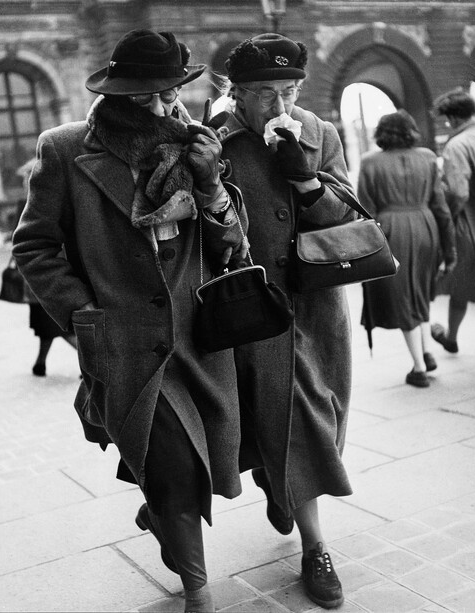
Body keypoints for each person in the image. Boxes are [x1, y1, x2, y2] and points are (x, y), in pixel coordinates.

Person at [12, 29, 249, 613]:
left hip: (199, 333)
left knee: (196, 461)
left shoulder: (199, 145)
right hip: (124, 337)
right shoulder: (66, 149)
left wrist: (211, 183)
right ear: (117, 94)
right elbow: (34, 246)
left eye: (170, 94)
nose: (164, 108)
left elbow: (232, 245)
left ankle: (161, 514)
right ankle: (197, 588)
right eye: (147, 97)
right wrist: (83, 316)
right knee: (173, 461)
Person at [207, 32, 359, 609]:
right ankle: (316, 548)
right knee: (294, 414)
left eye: (289, 91)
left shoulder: (319, 133)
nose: (280, 105)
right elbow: (204, 231)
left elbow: (345, 215)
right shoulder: (214, 140)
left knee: (327, 411)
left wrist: (306, 179)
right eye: (266, 93)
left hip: (318, 303)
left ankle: (282, 484)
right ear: (237, 93)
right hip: (257, 307)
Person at [357, 110, 456, 388]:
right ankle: (426, 352)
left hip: (390, 231)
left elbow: (365, 210)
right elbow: (441, 207)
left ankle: (419, 368)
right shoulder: (428, 157)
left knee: (403, 298)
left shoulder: (370, 162)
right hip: (426, 226)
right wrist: (449, 249)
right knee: (419, 292)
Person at [429, 87, 475, 353]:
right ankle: (451, 338)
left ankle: (452, 337)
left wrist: (448, 218)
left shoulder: (457, 145)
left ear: (454, 118)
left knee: (463, 280)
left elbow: (457, 192)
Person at [15, 159, 77, 377]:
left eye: (27, 176)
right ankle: (40, 363)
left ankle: (93, 359)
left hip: (49, 274)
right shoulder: (27, 203)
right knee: (46, 327)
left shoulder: (45, 202)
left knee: (53, 324)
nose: (25, 181)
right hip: (39, 275)